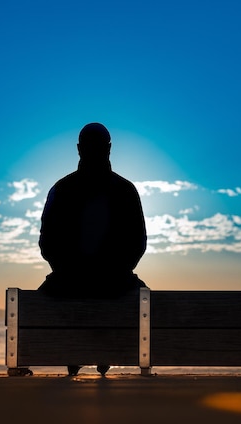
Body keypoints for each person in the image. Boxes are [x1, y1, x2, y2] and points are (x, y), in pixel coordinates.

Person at [37, 122, 148, 376]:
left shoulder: (61, 189)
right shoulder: (126, 190)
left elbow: (47, 244)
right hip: (115, 283)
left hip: (68, 283)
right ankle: (104, 350)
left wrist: (69, 271)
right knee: (143, 299)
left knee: (44, 300)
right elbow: (138, 243)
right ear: (109, 149)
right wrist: (115, 272)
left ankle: (75, 351)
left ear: (78, 149)